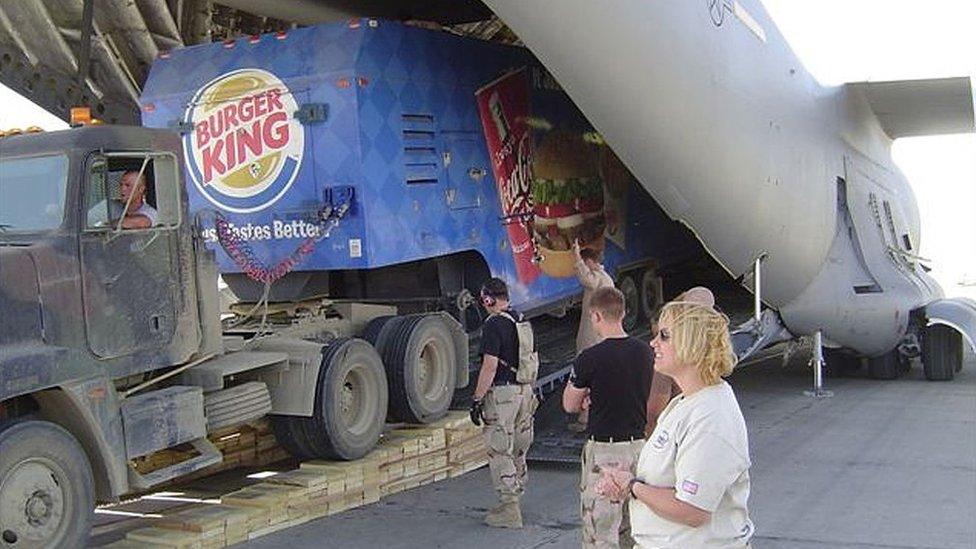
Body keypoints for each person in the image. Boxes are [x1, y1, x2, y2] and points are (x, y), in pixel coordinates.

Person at [597, 299, 754, 549]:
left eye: (665, 336)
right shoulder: (686, 402)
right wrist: (627, 478)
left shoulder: (710, 417)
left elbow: (693, 511)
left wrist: (632, 486)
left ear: (691, 343)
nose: (653, 343)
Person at [562, 286, 655, 548]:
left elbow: (570, 404)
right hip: (638, 447)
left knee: (600, 533)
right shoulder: (645, 352)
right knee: (634, 530)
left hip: (604, 451)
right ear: (623, 313)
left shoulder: (589, 358)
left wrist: (587, 397)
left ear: (595, 316)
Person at [468, 277, 537, 529]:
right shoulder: (521, 319)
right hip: (525, 392)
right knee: (519, 448)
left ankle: (509, 509)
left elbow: (490, 365)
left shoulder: (493, 324)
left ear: (488, 299)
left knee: (499, 449)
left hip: (503, 395)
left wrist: (477, 398)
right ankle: (516, 497)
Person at [643, 286, 716, 437]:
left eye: (663, 336)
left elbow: (654, 413)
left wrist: (651, 448)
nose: (653, 343)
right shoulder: (708, 354)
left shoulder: (667, 366)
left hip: (673, 435)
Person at [569, 239, 616, 432]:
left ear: (590, 262)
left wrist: (576, 257)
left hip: (593, 337)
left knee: (589, 377)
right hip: (599, 334)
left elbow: (586, 279)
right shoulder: (605, 277)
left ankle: (586, 419)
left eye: (585, 262)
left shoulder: (598, 279)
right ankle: (588, 417)